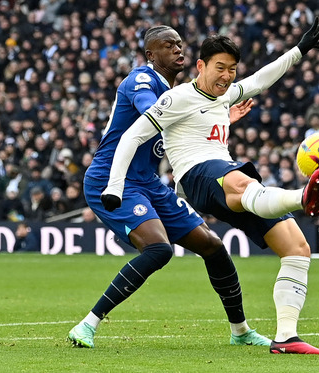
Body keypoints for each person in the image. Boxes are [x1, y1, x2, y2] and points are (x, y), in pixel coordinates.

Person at [102, 19, 319, 354]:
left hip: (226, 178)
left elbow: (262, 79)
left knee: (296, 248)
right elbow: (132, 135)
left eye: (232, 69)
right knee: (240, 179)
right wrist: (114, 186)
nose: (226, 76)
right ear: (201, 66)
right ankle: (301, 196)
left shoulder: (227, 94)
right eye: (219, 68)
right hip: (198, 176)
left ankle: (286, 337)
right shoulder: (175, 98)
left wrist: (298, 51)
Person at [68, 26, 269, 350]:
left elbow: (183, 122)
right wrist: (209, 113)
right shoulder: (141, 81)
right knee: (159, 249)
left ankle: (241, 331)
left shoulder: (178, 91)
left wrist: (219, 118)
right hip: (113, 179)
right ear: (151, 54)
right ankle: (87, 325)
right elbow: (156, 111)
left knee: (212, 245)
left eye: (179, 44)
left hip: (147, 181)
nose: (178, 49)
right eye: (168, 45)